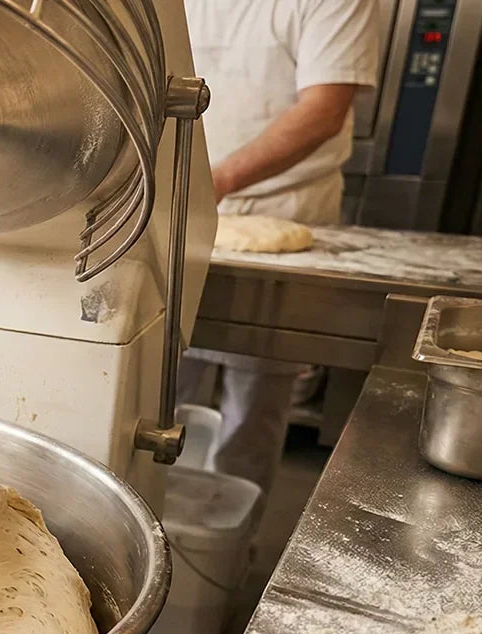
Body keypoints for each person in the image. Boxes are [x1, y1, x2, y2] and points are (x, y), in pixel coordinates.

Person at [181, 0, 381, 498]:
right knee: (156, 388)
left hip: (283, 215)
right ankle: (152, 528)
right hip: (179, 208)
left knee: (254, 409)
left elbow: (323, 110)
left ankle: (227, 553)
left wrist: (219, 177)